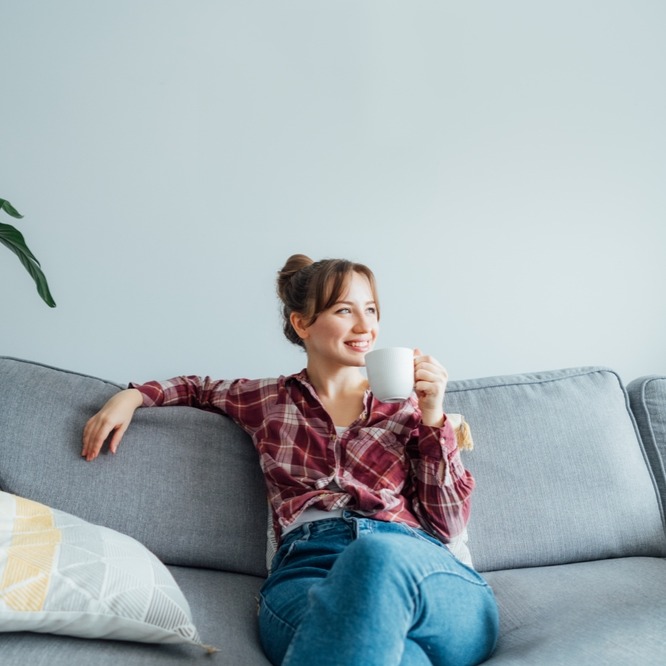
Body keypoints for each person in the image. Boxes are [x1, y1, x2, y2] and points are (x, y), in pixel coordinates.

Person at [82, 254, 499, 666]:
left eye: (371, 309)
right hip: (308, 570)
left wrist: (433, 416)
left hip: (413, 565)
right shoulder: (268, 400)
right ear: (302, 324)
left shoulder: (410, 408)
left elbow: (448, 524)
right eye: (344, 310)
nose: (365, 325)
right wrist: (133, 396)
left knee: (376, 557)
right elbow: (198, 389)